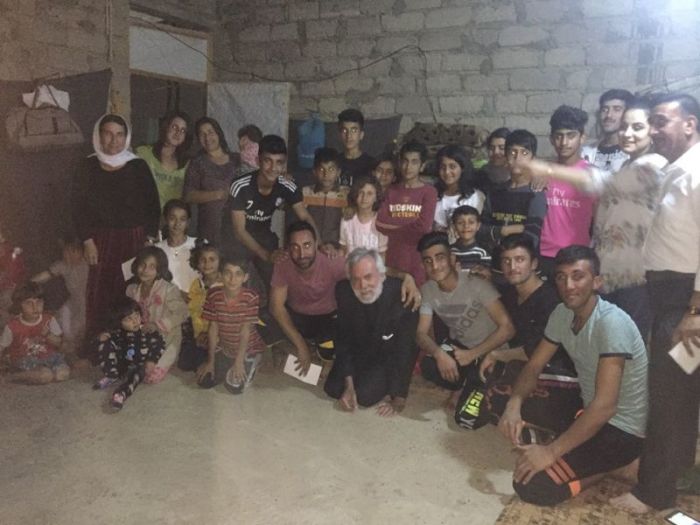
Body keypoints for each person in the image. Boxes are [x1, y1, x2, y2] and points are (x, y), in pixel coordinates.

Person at [499, 246, 648, 507]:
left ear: (596, 282)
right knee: (503, 392)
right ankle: (573, 448)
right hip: (585, 407)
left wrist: (550, 452)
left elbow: (606, 406)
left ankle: (613, 468)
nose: (568, 285)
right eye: (561, 277)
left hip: (621, 428)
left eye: (578, 276)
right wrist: (514, 405)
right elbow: (533, 367)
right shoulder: (562, 313)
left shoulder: (611, 324)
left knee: (532, 485)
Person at [611, 92, 700, 514]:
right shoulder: (675, 171)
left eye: (662, 121)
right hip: (669, 294)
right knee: (679, 392)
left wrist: (695, 312)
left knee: (669, 397)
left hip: (685, 300)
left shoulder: (697, 172)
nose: (657, 129)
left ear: (690, 123)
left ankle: (656, 493)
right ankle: (676, 472)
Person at [518, 98, 667, 337]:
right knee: (594, 334)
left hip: (633, 275)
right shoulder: (629, 165)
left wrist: (548, 169)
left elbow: (603, 185)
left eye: (637, 127)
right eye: (623, 127)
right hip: (606, 271)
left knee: (626, 343)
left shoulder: (655, 164)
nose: (628, 134)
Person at [457, 234, 580, 433]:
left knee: (500, 397)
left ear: (534, 264)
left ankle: (535, 424)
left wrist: (496, 355)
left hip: (555, 369)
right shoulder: (509, 293)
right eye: (507, 261)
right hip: (516, 363)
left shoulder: (551, 300)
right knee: (465, 417)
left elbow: (540, 350)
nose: (512, 267)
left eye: (519, 260)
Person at [71, 113, 161, 341]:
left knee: (130, 291)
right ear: (98, 136)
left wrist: (148, 241)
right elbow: (77, 206)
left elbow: (152, 205)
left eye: (120, 135)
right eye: (108, 134)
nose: (114, 141)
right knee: (99, 292)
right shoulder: (87, 166)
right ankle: (99, 345)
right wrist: (87, 240)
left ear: (127, 137)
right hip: (100, 242)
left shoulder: (137, 166)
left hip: (133, 239)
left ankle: (130, 344)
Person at [416, 232, 514, 400]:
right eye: (428, 261)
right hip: (461, 349)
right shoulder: (427, 290)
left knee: (466, 417)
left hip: (492, 352)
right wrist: (439, 354)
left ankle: (473, 383)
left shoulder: (476, 283)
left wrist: (473, 354)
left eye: (440, 258)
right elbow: (420, 333)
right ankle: (465, 381)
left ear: (452, 259)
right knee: (429, 365)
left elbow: (508, 329)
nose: (435, 266)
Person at [324, 248, 419, 416]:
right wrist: (349, 385)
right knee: (332, 389)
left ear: (382, 276)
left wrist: (399, 398)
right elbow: (343, 338)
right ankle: (352, 381)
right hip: (358, 351)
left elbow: (406, 349)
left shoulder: (403, 297)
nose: (363, 286)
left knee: (365, 397)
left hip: (385, 357)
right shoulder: (343, 291)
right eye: (356, 280)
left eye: (368, 277)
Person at [228, 134, 318, 288]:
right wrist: (266, 255)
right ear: (258, 161)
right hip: (235, 240)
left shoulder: (287, 185)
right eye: (267, 161)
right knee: (235, 282)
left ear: (284, 165)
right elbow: (239, 231)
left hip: (263, 235)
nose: (273, 168)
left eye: (279, 163)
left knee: (276, 281)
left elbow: (305, 217)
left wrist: (318, 247)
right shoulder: (240, 186)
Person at [269, 221, 346, 374]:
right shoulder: (283, 262)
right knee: (261, 320)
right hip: (298, 317)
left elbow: (363, 274)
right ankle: (303, 346)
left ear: (316, 244)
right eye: (295, 247)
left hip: (327, 319)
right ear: (288, 247)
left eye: (307, 245)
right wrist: (301, 346)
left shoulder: (332, 261)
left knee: (331, 342)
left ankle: (320, 355)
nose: (302, 254)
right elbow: (276, 307)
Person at [538, 106, 597, 277]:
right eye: (559, 136)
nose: (564, 143)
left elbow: (600, 221)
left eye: (571, 136)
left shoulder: (593, 176)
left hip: (578, 255)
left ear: (582, 138)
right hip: (544, 254)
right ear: (551, 139)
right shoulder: (542, 172)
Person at [195, 258, 266, 394]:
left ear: (245, 277)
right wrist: (210, 361)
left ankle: (252, 360)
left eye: (238, 274)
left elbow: (245, 331)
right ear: (221, 275)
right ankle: (226, 363)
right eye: (228, 273)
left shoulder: (251, 297)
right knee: (205, 381)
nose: (232, 279)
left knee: (234, 388)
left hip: (248, 348)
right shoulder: (213, 294)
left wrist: (239, 362)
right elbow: (213, 328)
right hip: (226, 346)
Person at [376, 141, 437, 287]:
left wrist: (394, 226)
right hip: (392, 259)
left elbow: (424, 227)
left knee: (417, 302)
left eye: (414, 162)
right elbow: (380, 223)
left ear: (422, 165)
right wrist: (413, 223)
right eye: (405, 161)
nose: (408, 167)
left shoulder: (429, 192)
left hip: (417, 260)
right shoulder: (390, 191)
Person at [125, 246, 188, 384]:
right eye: (143, 265)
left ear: (159, 270)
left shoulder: (168, 289)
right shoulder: (132, 290)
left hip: (165, 336)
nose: (145, 270)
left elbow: (182, 312)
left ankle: (160, 362)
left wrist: (158, 324)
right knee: (128, 365)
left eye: (152, 267)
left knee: (151, 375)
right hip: (141, 334)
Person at [478, 129, 547, 254]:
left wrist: (495, 232)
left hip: (522, 266)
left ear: (533, 159)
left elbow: (532, 238)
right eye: (512, 152)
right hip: (494, 262)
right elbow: (481, 231)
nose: (517, 158)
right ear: (506, 156)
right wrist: (505, 230)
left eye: (524, 153)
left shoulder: (535, 193)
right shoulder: (495, 192)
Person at [92, 297, 165, 410]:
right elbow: (105, 341)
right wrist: (103, 337)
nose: (135, 321)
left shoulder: (147, 331)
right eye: (128, 319)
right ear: (119, 322)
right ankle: (111, 375)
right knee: (104, 341)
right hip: (121, 364)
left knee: (135, 378)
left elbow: (159, 345)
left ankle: (120, 395)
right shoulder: (118, 333)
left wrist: (152, 360)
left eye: (137, 315)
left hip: (138, 366)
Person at [183, 117, 240, 246]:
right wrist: (219, 194)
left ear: (218, 133)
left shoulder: (237, 160)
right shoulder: (197, 163)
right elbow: (188, 195)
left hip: (237, 229)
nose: (207, 138)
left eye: (210, 132)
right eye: (202, 134)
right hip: (209, 230)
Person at [0, 282, 69, 384]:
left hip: (49, 357)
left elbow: (59, 343)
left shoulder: (49, 319)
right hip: (24, 360)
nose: (35, 307)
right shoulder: (12, 326)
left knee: (63, 374)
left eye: (39, 302)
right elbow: (1, 347)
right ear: (20, 305)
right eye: (29, 303)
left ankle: (46, 373)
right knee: (45, 375)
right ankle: (12, 377)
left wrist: (48, 335)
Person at [31, 237, 88, 356]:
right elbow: (45, 275)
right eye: (65, 251)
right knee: (61, 327)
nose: (68, 255)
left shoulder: (88, 262)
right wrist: (28, 285)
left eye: (73, 251)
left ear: (81, 252)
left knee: (77, 333)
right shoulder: (63, 265)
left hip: (88, 305)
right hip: (73, 304)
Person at [177, 240, 222, 372]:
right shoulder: (196, 285)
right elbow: (194, 312)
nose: (207, 264)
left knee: (207, 376)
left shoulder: (226, 284)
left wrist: (210, 335)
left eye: (212, 259)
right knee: (184, 363)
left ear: (220, 261)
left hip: (221, 336)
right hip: (200, 335)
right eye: (203, 260)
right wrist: (198, 336)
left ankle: (216, 359)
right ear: (197, 263)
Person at [136, 110, 193, 210]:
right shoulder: (143, 153)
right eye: (174, 127)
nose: (178, 133)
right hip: (143, 216)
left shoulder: (187, 164)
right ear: (166, 127)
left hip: (171, 221)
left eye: (183, 130)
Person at [301, 147, 349, 256]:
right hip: (310, 250)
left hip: (336, 251)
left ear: (338, 172)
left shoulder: (347, 195)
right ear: (314, 172)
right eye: (321, 170)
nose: (326, 175)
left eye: (331, 169)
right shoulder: (305, 193)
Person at [433, 144, 485, 241]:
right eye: (443, 167)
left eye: (452, 167)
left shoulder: (476, 197)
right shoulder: (432, 195)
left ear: (463, 168)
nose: (447, 172)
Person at [581, 89, 633, 174]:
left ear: (628, 113)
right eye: (605, 109)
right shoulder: (586, 152)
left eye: (617, 109)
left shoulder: (633, 152)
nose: (608, 115)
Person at [155, 199, 199, 293]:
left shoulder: (198, 245)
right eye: (172, 218)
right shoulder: (156, 249)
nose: (177, 223)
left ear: (188, 222)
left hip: (197, 302)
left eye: (182, 219)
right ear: (165, 220)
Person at [339, 176, 388, 257]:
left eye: (369, 193)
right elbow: (343, 248)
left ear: (376, 197)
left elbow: (382, 254)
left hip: (372, 268)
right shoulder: (346, 220)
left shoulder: (381, 222)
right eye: (361, 192)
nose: (364, 197)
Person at [337, 109, 375, 187]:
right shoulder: (334, 163)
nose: (348, 136)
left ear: (361, 134)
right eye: (344, 130)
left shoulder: (371, 164)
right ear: (339, 135)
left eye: (353, 130)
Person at [449, 205, 491, 274]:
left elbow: (485, 278)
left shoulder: (483, 253)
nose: (466, 226)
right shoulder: (449, 251)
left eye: (471, 222)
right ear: (454, 227)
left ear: (478, 226)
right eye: (460, 223)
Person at [477, 127, 511, 193]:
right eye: (491, 148)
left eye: (501, 148)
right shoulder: (482, 174)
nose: (496, 152)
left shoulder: (520, 175)